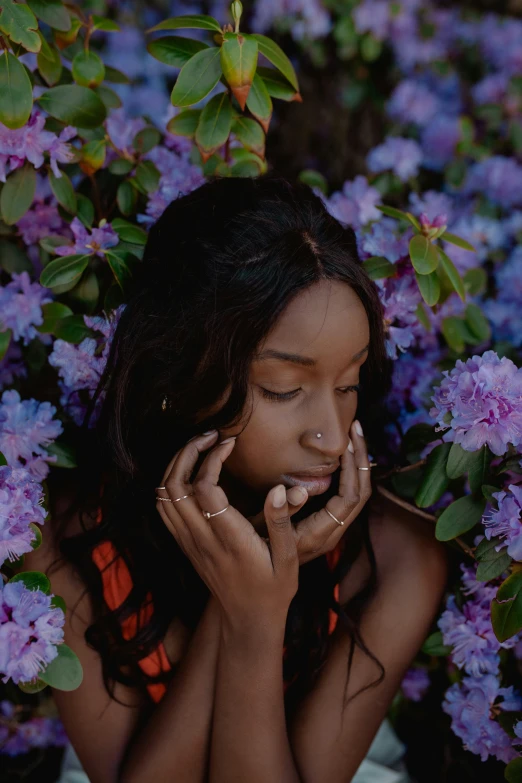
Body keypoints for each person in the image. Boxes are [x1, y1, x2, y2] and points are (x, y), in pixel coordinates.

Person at [25, 172, 448, 783]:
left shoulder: (399, 557)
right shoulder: (67, 539)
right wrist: (242, 602)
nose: (329, 434)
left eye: (350, 382)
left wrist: (253, 616)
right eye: (283, 390)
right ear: (182, 383)